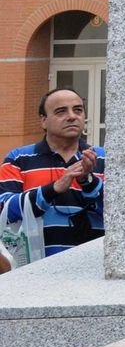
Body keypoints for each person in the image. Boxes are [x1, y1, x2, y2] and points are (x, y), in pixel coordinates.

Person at [0, 88, 105, 258]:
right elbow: (3, 209)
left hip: (93, 267)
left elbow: (122, 214)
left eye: (78, 110)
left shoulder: (104, 158)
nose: (72, 116)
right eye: (61, 111)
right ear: (43, 120)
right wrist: (52, 190)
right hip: (37, 269)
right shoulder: (18, 158)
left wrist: (88, 182)